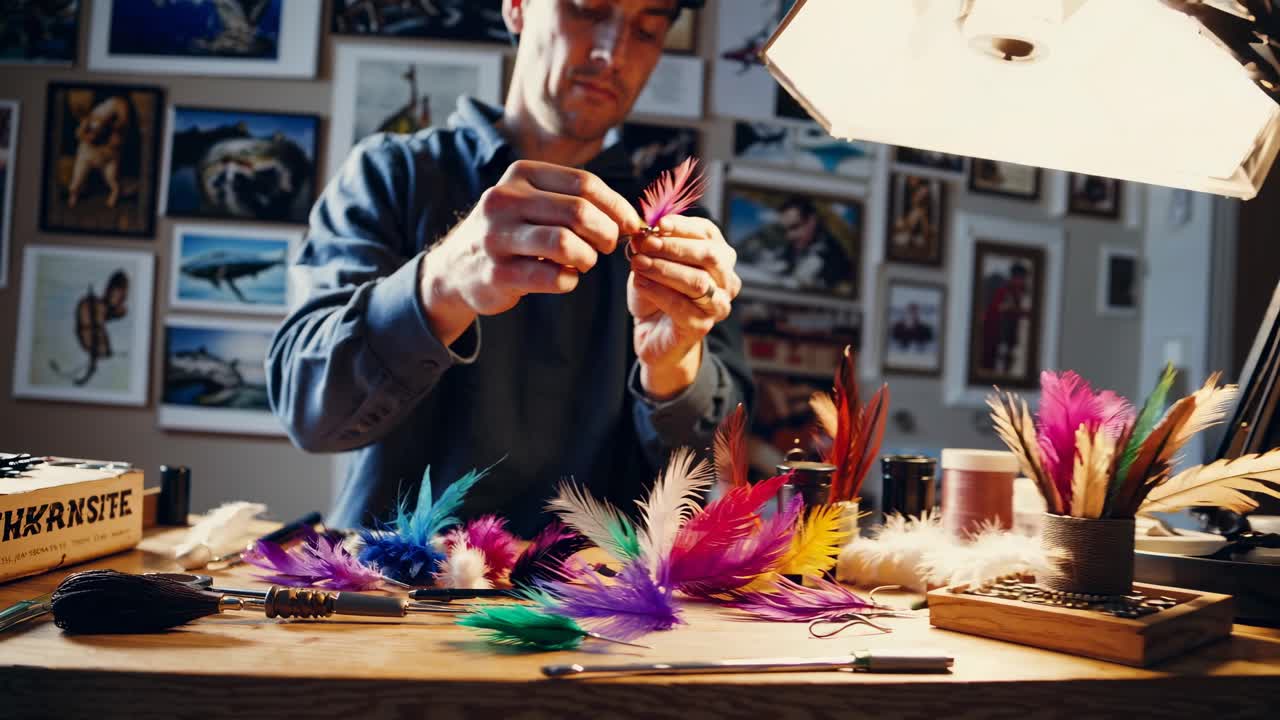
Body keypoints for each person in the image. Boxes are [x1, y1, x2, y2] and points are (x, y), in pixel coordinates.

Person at [267, 0, 750, 536]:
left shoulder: (679, 237)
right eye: (588, 10)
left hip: (594, 603)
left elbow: (721, 472)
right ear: (517, 7)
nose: (612, 53)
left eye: (648, 29)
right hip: (394, 592)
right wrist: (441, 283)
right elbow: (309, 410)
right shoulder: (392, 176)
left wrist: (674, 369)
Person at [776, 196, 853, 292]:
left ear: (812, 221)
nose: (789, 236)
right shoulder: (792, 247)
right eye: (784, 230)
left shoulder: (837, 255)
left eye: (794, 227)